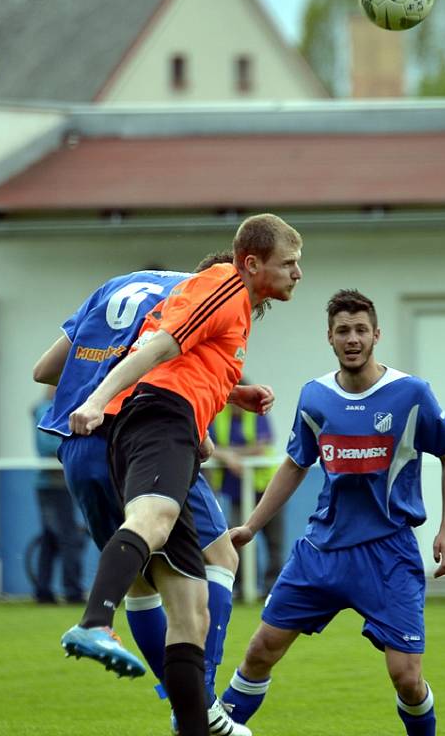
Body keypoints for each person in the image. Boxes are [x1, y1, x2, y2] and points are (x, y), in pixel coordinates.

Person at [60, 212, 302, 736]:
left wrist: (228, 398)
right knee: (157, 515)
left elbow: (182, 359)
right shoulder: (225, 285)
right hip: (156, 418)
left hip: (170, 424)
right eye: (290, 263)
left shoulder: (236, 313)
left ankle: (196, 722)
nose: (297, 273)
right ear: (253, 262)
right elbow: (162, 347)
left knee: (191, 605)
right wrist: (97, 400)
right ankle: (95, 623)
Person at [220, 289, 445, 736]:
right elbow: (296, 462)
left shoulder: (411, 394)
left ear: (376, 335)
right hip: (322, 551)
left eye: (360, 330)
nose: (352, 339)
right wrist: (252, 526)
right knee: (259, 651)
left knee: (407, 678)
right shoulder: (315, 397)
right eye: (342, 331)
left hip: (389, 554)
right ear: (329, 338)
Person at [209, 383, 284, 598]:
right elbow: (207, 445)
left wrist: (229, 453)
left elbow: (261, 445)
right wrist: (228, 456)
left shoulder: (258, 411)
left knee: (273, 540)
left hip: (267, 488)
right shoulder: (219, 414)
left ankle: (272, 589)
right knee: (237, 539)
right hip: (236, 490)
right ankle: (240, 587)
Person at [31, 386, 86, 605]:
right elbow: (49, 444)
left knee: (50, 538)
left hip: (56, 483)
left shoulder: (51, 408)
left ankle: (43, 591)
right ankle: (72, 591)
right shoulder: (48, 409)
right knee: (67, 537)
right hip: (53, 483)